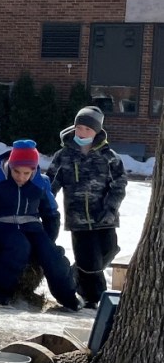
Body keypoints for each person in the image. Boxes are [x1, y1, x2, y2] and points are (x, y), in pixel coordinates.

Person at [0, 140, 82, 311]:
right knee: (19, 246)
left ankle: (68, 297)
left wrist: (48, 239)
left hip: (31, 225)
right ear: (10, 165)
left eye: (26, 173)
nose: (21, 177)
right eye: (16, 171)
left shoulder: (41, 183)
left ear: (34, 170)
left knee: (52, 255)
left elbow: (51, 212)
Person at [46, 106, 127, 309]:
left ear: (97, 131)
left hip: (105, 217)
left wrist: (111, 208)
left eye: (87, 130)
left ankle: (75, 275)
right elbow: (51, 182)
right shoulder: (64, 155)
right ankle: (94, 299)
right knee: (89, 259)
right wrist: (45, 202)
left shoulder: (109, 157)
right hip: (78, 219)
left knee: (109, 250)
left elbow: (119, 184)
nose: (82, 133)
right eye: (79, 128)